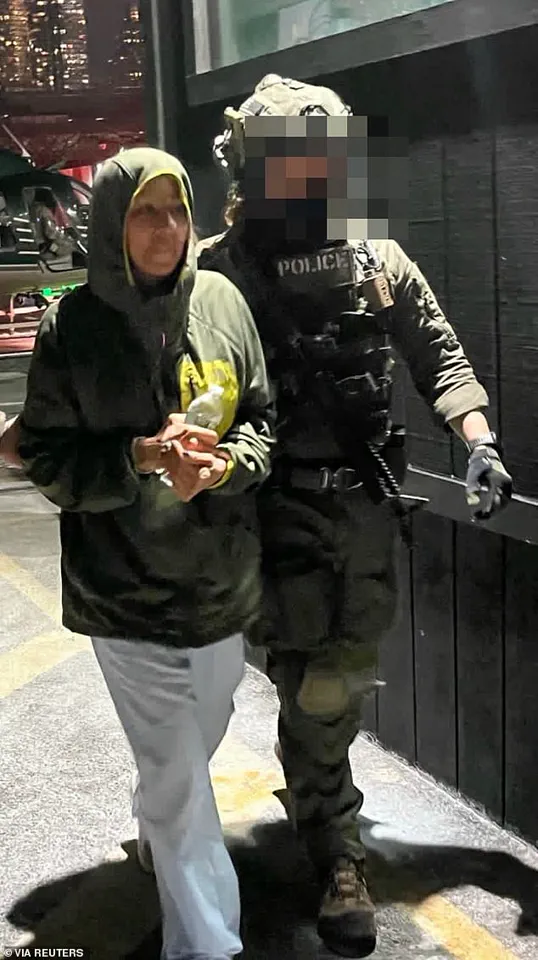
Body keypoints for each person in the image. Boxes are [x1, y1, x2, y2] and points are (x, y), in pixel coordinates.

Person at [197, 75, 513, 958]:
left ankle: (309, 795)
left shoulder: (377, 262)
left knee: (342, 672)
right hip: (272, 512)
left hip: (366, 513)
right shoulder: (220, 274)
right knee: (314, 684)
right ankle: (336, 849)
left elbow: (440, 358)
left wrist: (479, 441)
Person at [12, 147, 274, 960]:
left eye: (177, 210)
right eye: (144, 212)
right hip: (123, 590)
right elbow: (45, 454)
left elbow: (262, 422)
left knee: (196, 742)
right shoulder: (73, 327)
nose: (166, 229)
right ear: (110, 225)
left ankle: (157, 815)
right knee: (181, 781)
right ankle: (206, 945)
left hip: (219, 583)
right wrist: (136, 459)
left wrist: (225, 466)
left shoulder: (223, 302)